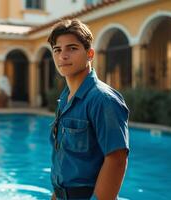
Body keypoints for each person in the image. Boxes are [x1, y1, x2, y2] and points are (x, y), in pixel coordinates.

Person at [47, 19, 129, 200]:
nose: (63, 56)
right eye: (57, 50)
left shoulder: (103, 99)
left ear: (90, 54)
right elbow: (67, 158)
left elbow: (116, 159)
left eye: (72, 48)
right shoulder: (64, 99)